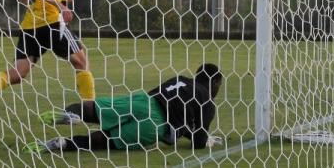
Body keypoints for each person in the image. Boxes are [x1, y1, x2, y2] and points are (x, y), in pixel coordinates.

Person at [32, 63, 224, 153]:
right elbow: (198, 142)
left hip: (144, 101)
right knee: (106, 139)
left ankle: (70, 114)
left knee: (95, 109)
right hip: (156, 124)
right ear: (215, 83)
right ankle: (64, 144)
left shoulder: (182, 80)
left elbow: (175, 106)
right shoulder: (207, 102)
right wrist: (205, 139)